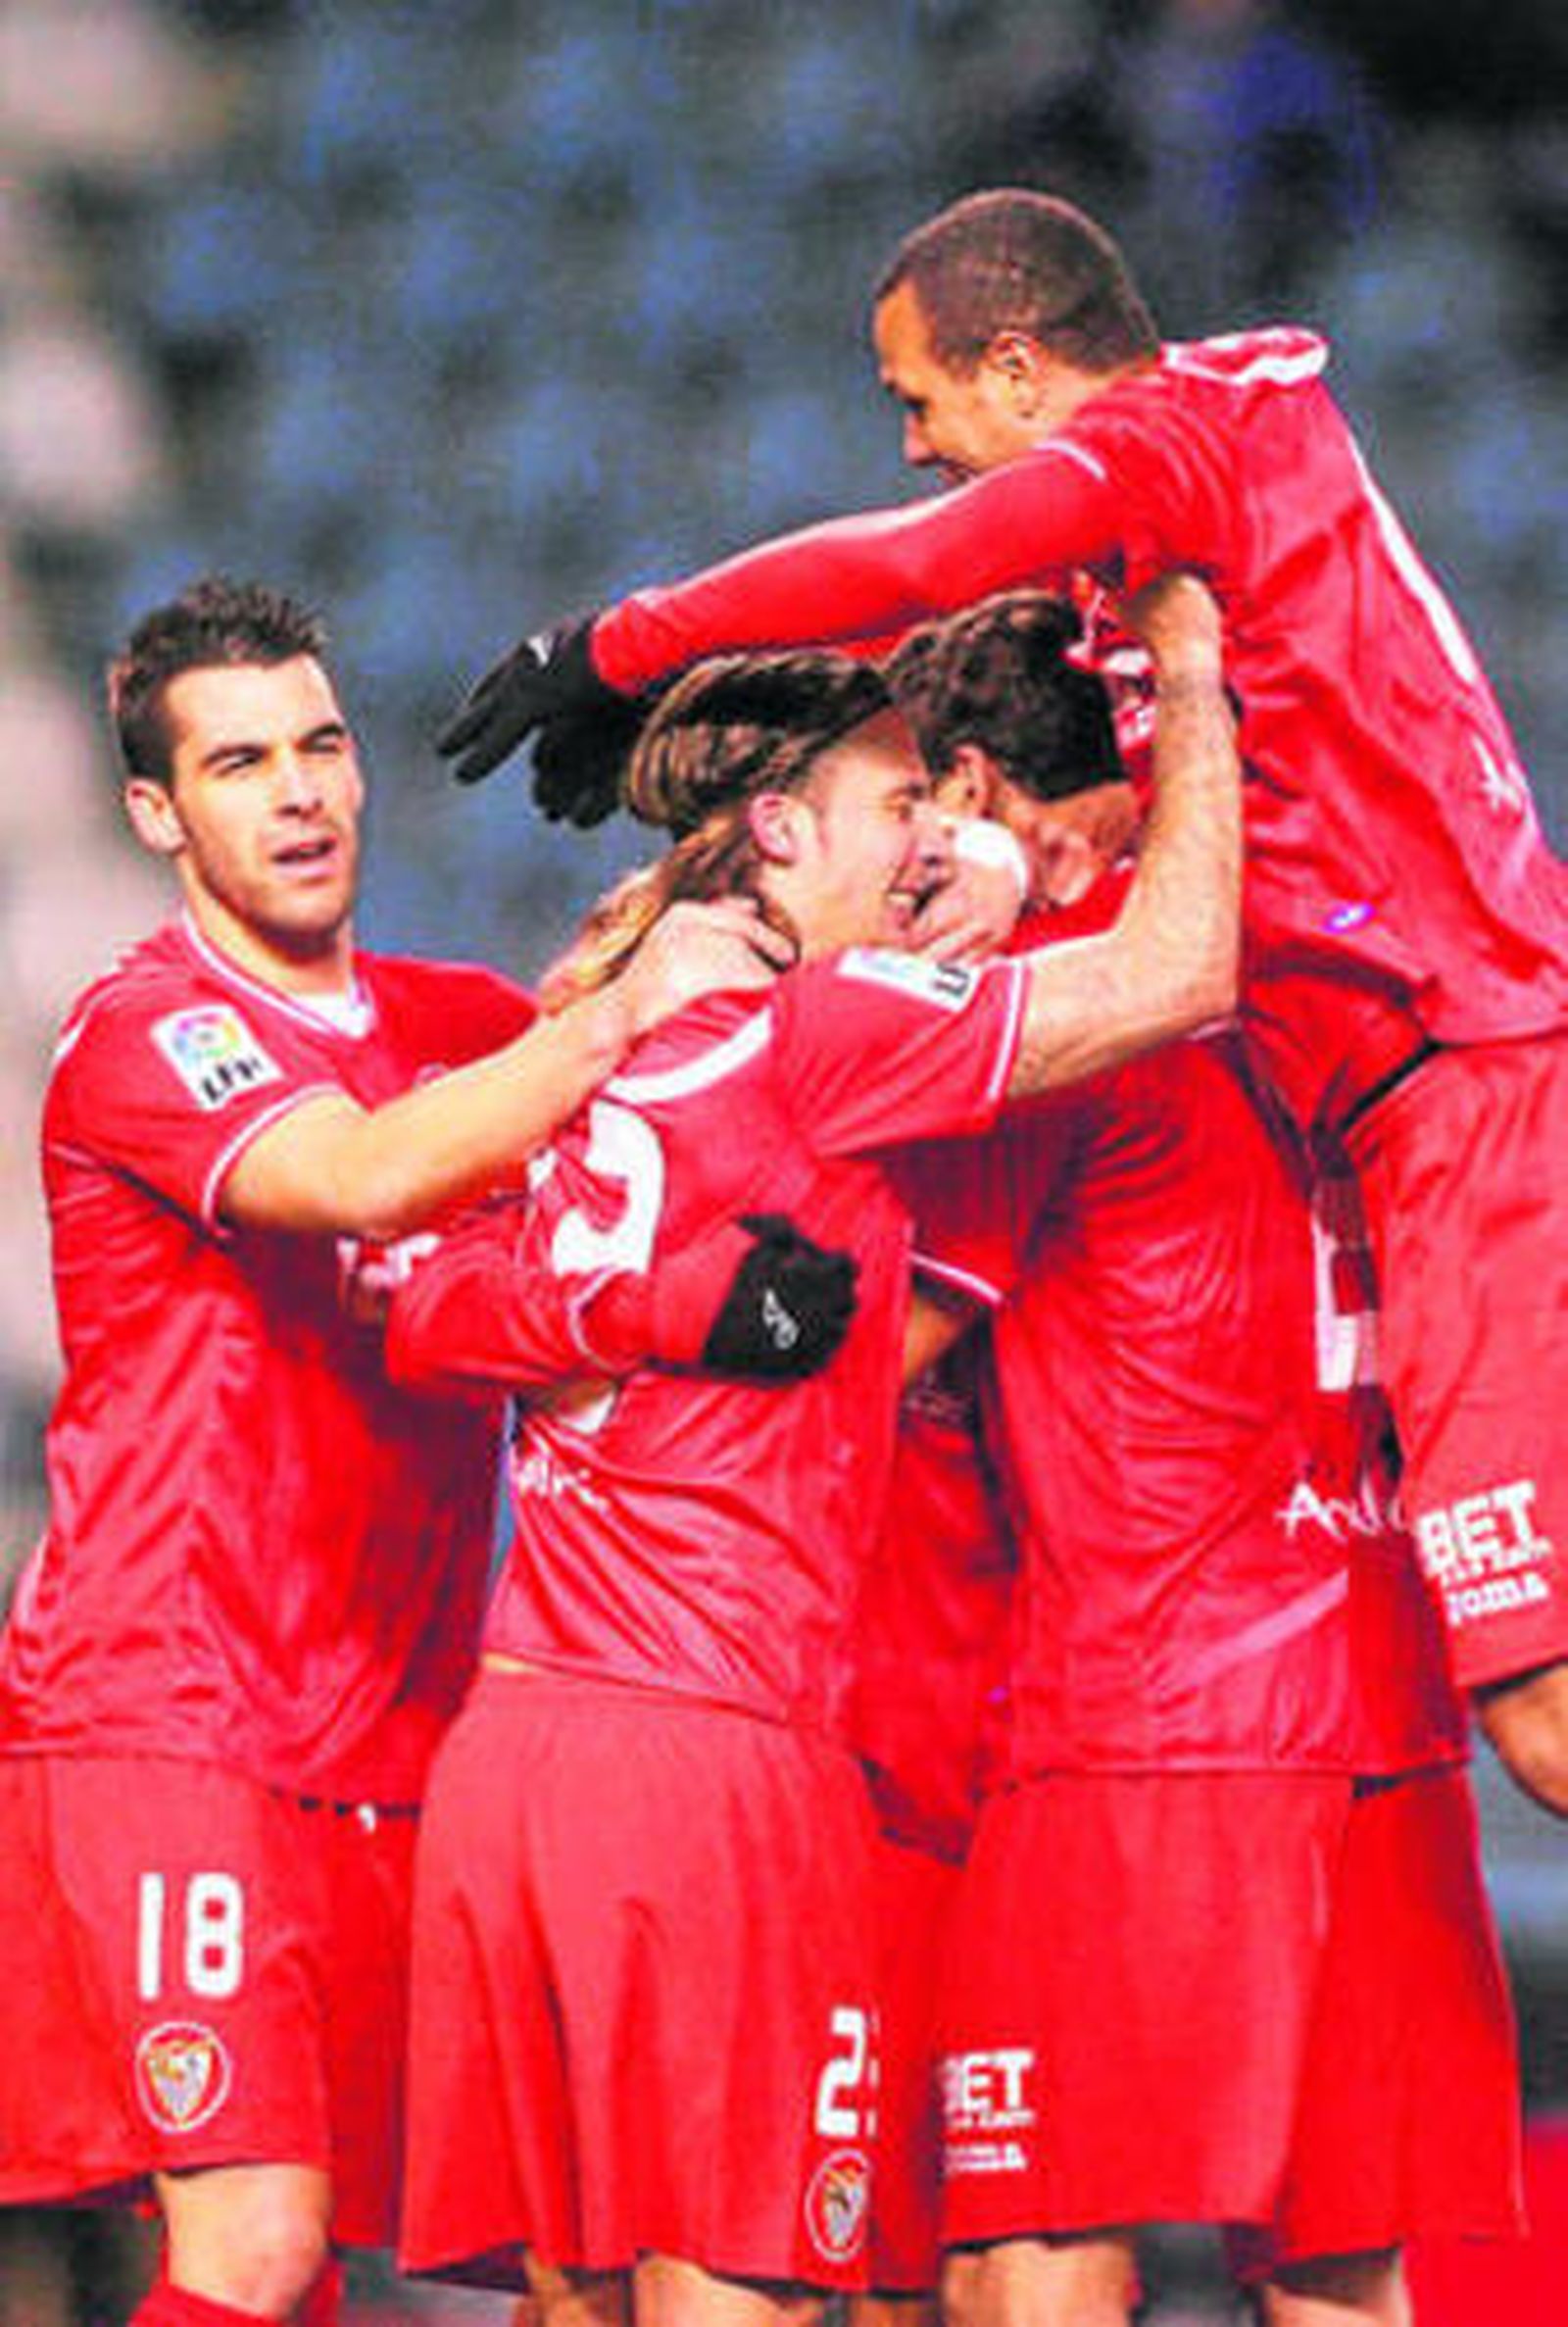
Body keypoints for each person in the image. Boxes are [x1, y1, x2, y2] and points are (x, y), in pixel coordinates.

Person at [438, 184, 1568, 1815]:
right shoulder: (1205, 502)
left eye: (918, 398)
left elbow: (928, 556)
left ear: (1024, 369)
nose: (909, 442)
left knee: (1539, 1716)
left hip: (1466, 1089)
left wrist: (617, 643)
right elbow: (953, 644)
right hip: (1446, 1089)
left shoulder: (1181, 443)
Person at [380, 575, 1240, 2327]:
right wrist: (1201, 684)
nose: (925, 833)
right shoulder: (827, 1032)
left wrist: (636, 1310)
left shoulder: (590, 1031)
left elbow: (429, 1307)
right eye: (896, 801)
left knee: (572, 2303)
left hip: (520, 1751)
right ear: (779, 827)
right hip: (722, 1769)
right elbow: (1189, 969)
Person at [0, 576, 846, 2327]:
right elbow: (364, 1178)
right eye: (239, 763)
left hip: (400, 1733)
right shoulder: (148, 1030)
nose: (299, 791)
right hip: (172, 1711)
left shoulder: (459, 1027)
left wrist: (699, 787)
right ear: (160, 814)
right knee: (252, 2242)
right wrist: (603, 1023)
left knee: (407, 2263)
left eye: (320, 744)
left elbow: (670, 991)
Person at [879, 590, 1522, 2327]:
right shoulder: (1355, 966)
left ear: (976, 789)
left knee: (1036, 2243)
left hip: (1143, 1722)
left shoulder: (1052, 1009)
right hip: (1385, 1706)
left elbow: (866, 1355)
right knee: (1344, 2270)